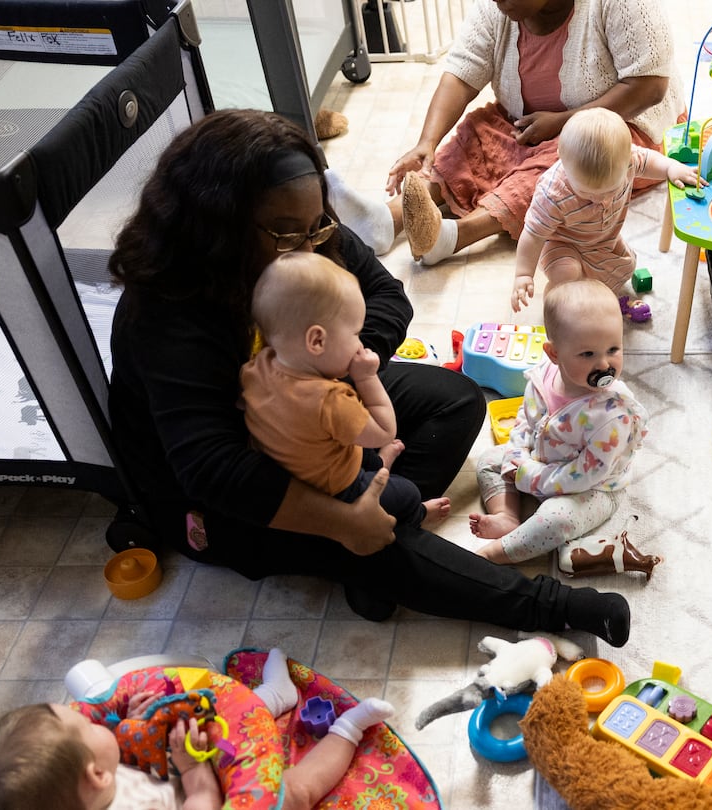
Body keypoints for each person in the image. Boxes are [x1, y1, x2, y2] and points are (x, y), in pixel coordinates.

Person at [108, 108, 630, 646]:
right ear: (219, 225)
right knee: (371, 537)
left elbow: (386, 296)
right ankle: (554, 606)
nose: (309, 248)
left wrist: (336, 374)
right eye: (288, 236)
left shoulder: (307, 237)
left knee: (456, 404)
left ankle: (371, 536)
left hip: (307, 416)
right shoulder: (167, 312)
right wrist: (338, 520)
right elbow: (212, 469)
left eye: (316, 228)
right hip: (225, 490)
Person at [383, 0, 684, 266]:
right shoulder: (497, 8)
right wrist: (427, 142)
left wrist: (564, 122)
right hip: (524, 122)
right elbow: (462, 74)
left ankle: (454, 236)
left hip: (615, 122)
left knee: (565, 168)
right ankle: (390, 217)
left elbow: (649, 86)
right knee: (475, 135)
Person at [0, 649, 393, 810]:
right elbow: (202, 799)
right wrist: (190, 768)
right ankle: (348, 730)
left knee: (220, 715)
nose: (85, 714)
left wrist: (128, 723)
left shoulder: (81, 789)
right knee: (294, 792)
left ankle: (276, 697)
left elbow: (123, 752)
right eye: (82, 724)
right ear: (95, 775)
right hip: (209, 790)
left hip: (170, 763)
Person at [241, 251, 449, 529]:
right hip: (336, 490)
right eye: (354, 334)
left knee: (354, 446)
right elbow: (384, 430)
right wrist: (366, 378)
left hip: (293, 477)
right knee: (405, 492)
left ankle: (380, 467)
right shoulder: (331, 401)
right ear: (317, 341)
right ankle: (416, 516)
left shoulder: (256, 368)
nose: (359, 343)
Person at [469, 279, 648, 564]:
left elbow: (586, 473)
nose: (604, 364)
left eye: (613, 349)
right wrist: (517, 457)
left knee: (556, 519)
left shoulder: (612, 415)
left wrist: (531, 477)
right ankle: (506, 514)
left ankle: (497, 553)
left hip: (592, 488)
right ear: (554, 354)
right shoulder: (542, 378)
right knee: (491, 458)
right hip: (540, 462)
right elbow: (525, 422)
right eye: (588, 354)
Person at [510, 108, 699, 313]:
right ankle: (557, 310)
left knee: (625, 266)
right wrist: (523, 274)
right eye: (586, 192)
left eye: (610, 190)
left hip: (602, 238)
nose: (601, 198)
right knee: (567, 273)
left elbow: (648, 161)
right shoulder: (552, 194)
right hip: (561, 242)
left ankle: (587, 288)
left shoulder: (627, 161)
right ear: (561, 158)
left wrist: (671, 167)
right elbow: (533, 235)